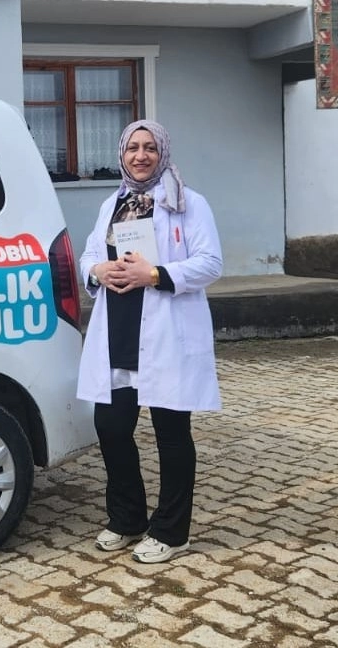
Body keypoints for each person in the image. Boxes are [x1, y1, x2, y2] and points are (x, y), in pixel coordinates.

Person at [77, 119, 223, 564]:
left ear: (163, 153)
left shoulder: (188, 203)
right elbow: (89, 254)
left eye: (150, 148)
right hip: (118, 332)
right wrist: (97, 270)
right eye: (132, 148)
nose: (141, 156)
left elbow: (210, 262)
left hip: (165, 334)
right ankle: (127, 519)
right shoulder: (113, 203)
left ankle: (171, 532)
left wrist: (156, 274)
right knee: (111, 427)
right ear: (122, 155)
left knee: (171, 434)